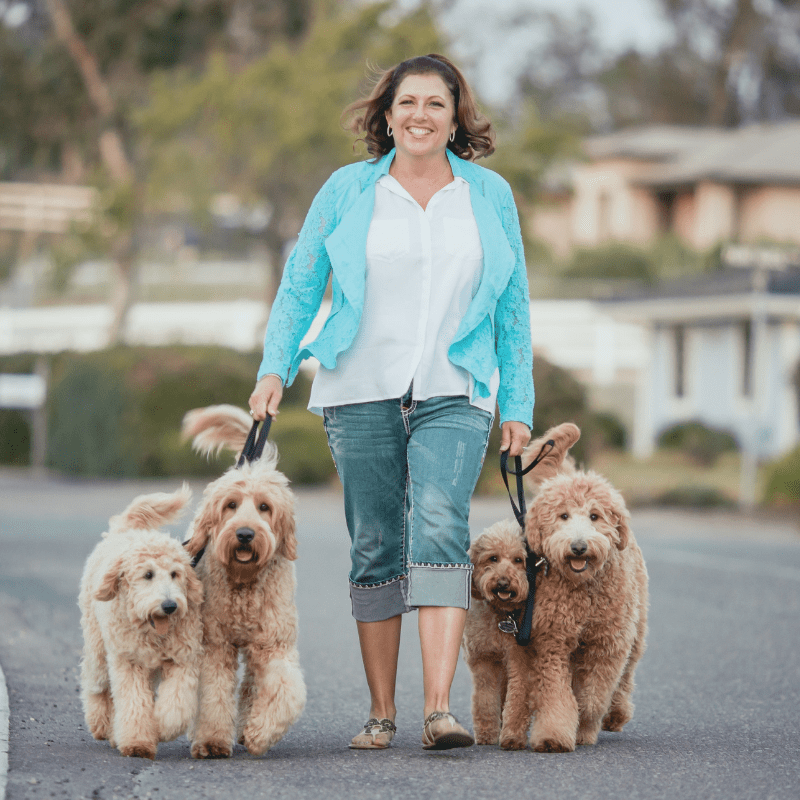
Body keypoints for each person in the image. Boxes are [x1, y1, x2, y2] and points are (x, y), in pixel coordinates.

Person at [249, 53, 534, 751]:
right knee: (376, 541)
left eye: (436, 104)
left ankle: (438, 709)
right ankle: (382, 712)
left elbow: (513, 307)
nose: (420, 116)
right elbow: (299, 285)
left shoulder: (489, 195)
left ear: (456, 116)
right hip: (359, 386)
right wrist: (274, 369)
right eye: (408, 102)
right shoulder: (348, 191)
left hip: (456, 388)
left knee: (439, 524)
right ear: (385, 113)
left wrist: (517, 403)